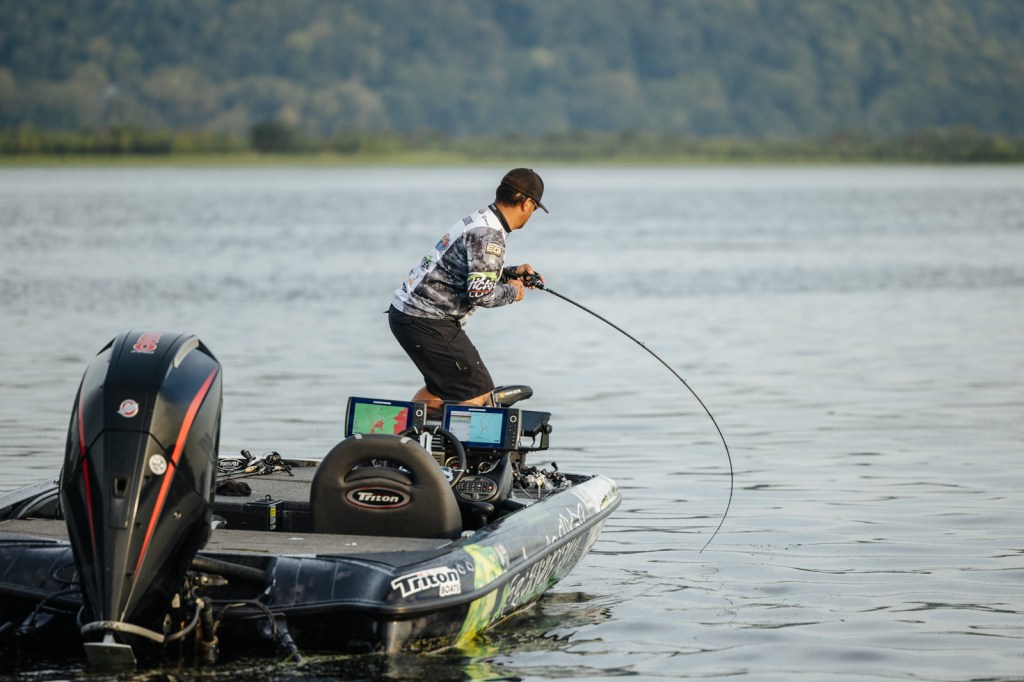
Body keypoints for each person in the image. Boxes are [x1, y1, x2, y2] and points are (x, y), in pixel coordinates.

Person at [388, 168, 548, 412]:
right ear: (527, 203)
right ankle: (454, 438)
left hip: (409, 316)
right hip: (427, 320)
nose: (531, 215)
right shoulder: (489, 234)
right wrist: (513, 292)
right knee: (478, 391)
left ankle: (400, 433)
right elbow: (480, 294)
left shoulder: (482, 219)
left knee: (441, 390)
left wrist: (511, 273)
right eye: (534, 209)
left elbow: (472, 270)